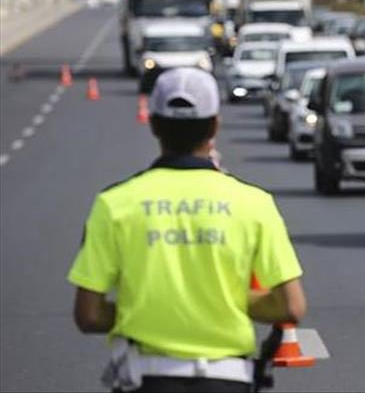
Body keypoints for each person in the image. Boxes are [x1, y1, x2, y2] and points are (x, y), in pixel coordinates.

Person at [68, 67, 306, 393]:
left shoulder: (114, 204)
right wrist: (221, 300)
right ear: (215, 126)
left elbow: (88, 314)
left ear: (153, 124)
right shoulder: (254, 203)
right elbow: (290, 307)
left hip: (145, 379)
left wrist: (150, 308)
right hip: (229, 378)